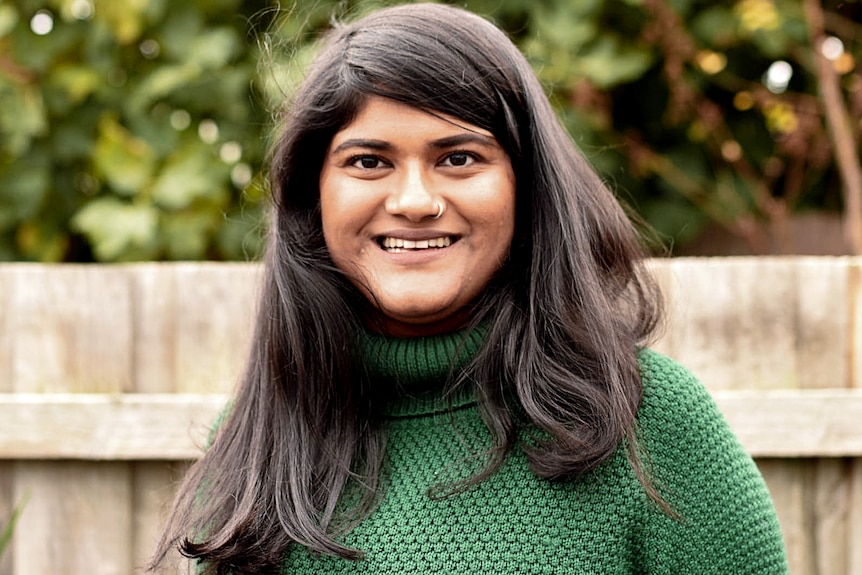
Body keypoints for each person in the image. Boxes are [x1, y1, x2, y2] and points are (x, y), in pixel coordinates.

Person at [150, 3, 789, 574]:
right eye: (368, 162)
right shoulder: (257, 438)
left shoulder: (651, 424)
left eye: (459, 158)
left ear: (526, 187)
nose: (415, 201)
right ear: (312, 196)